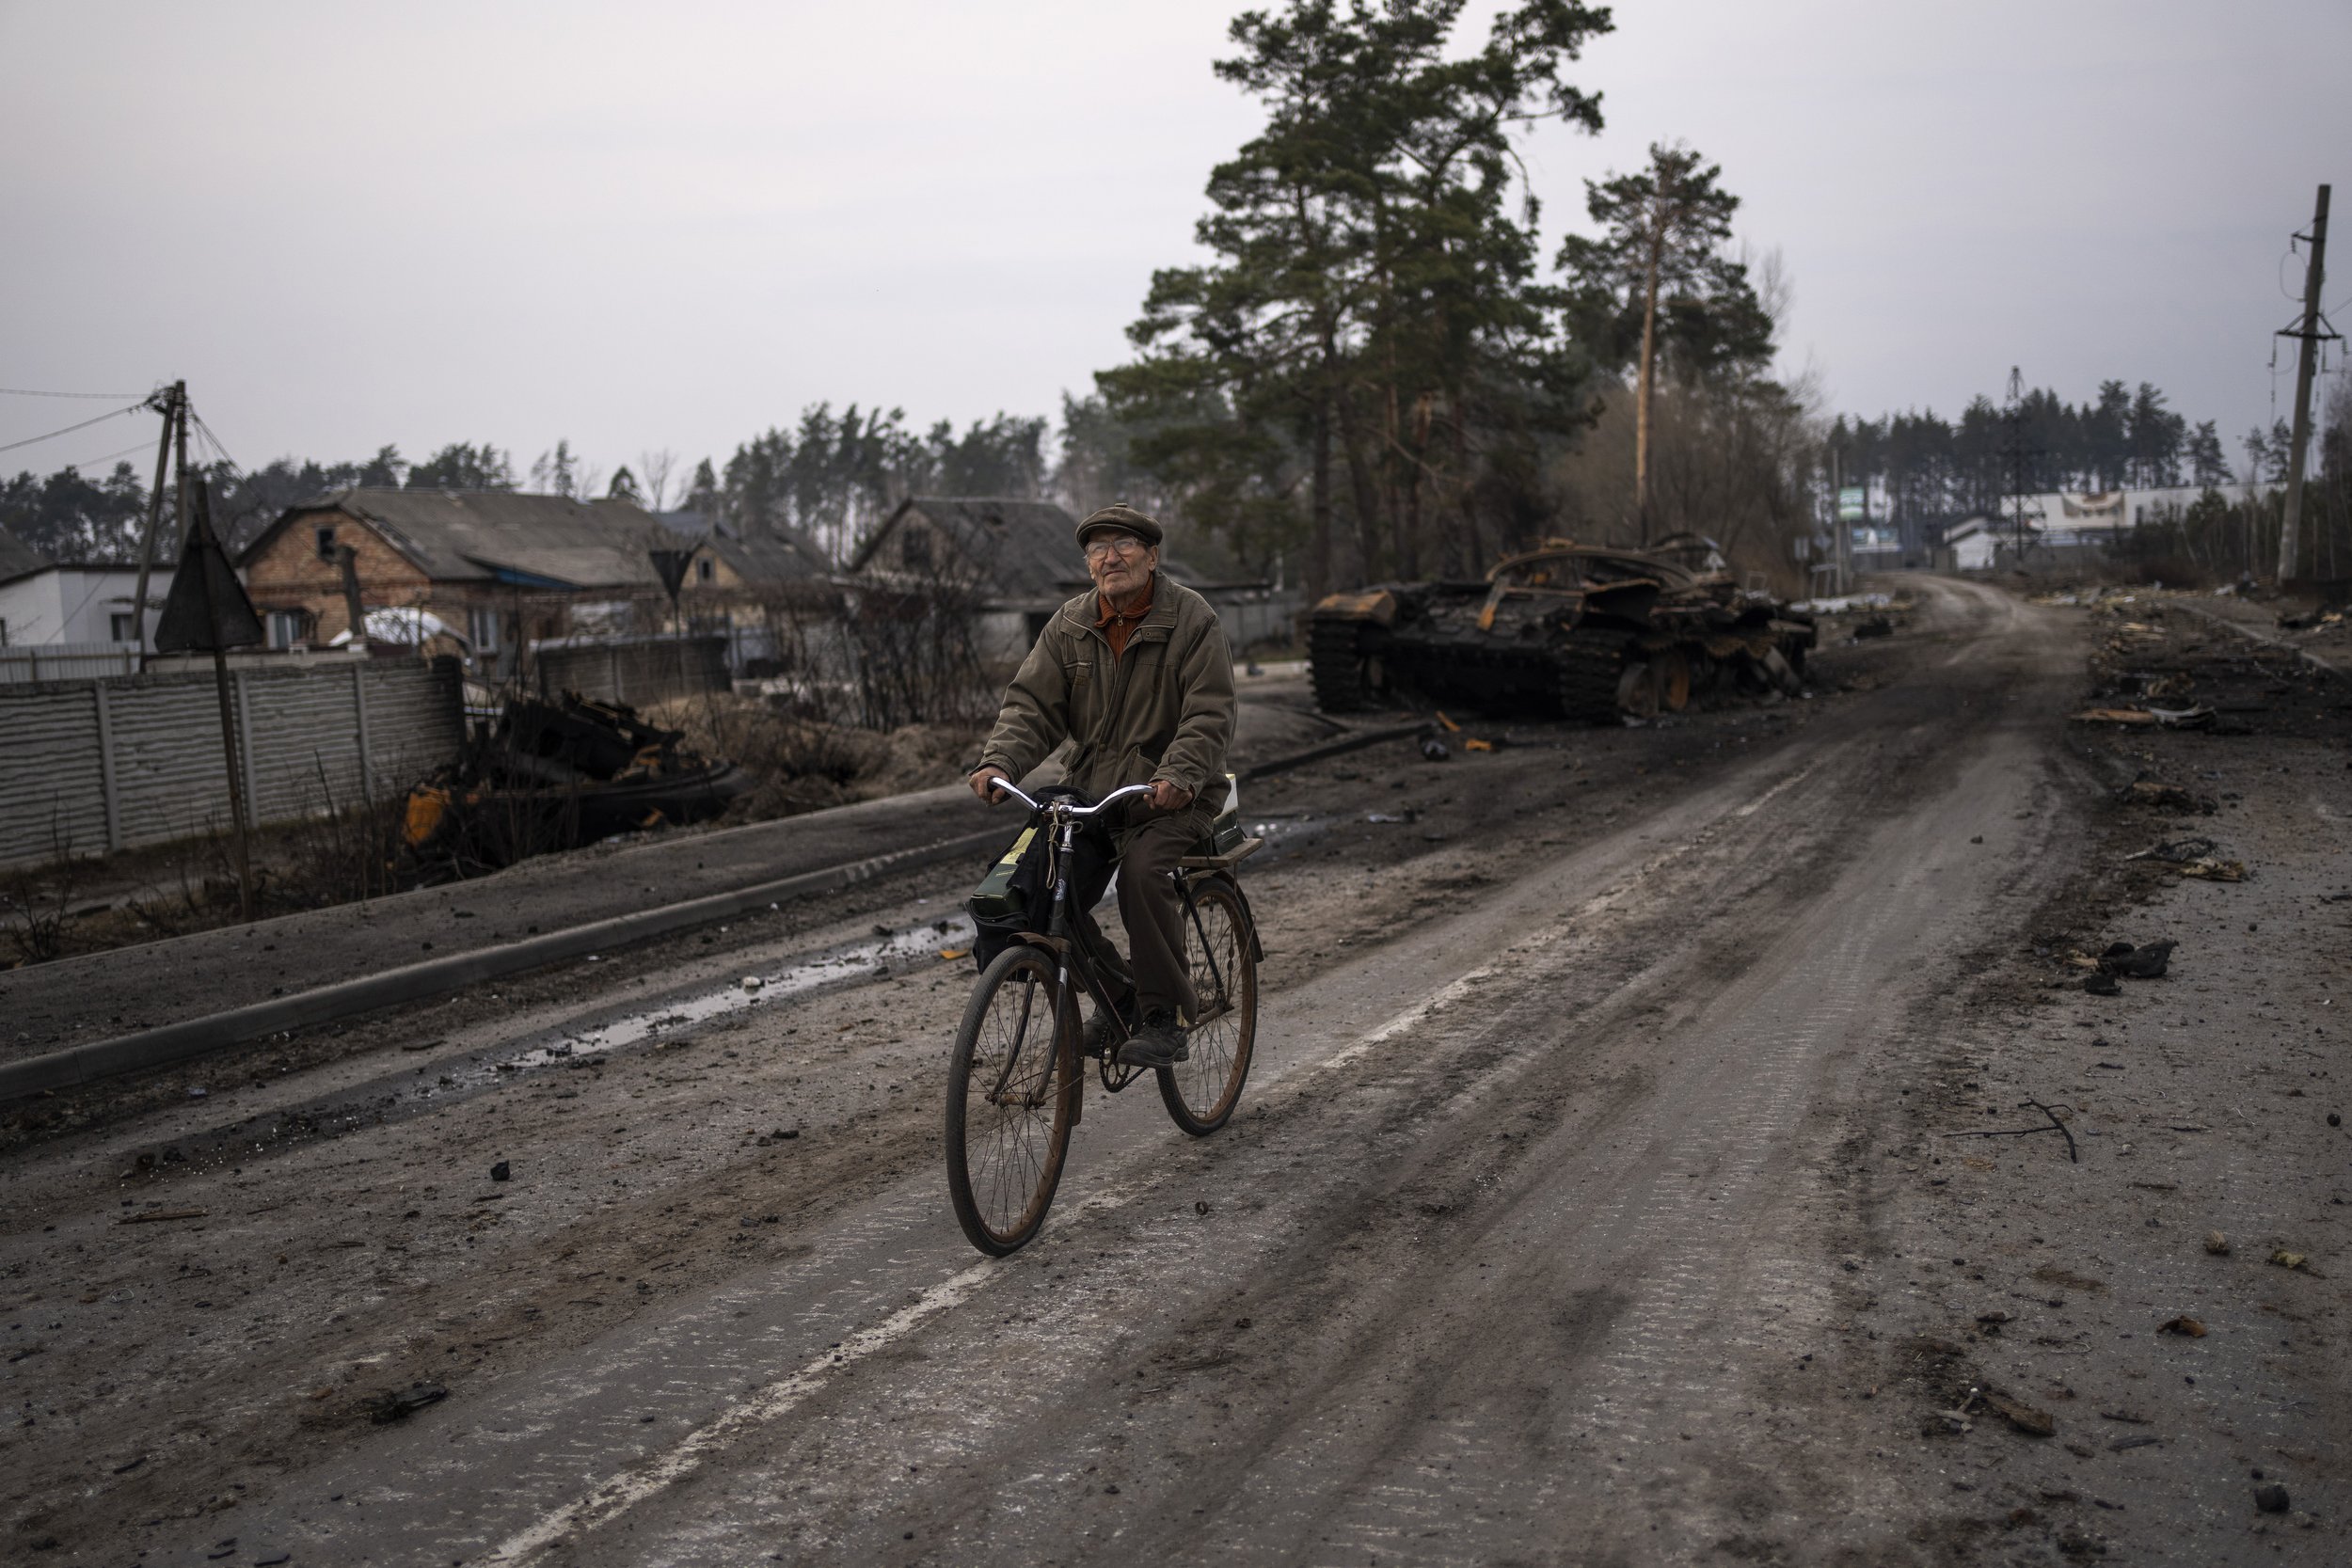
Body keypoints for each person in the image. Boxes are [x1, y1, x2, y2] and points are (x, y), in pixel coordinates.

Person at [967, 503, 1235, 1069]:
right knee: (1040, 885)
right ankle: (1120, 994)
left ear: (1152, 555)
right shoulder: (1069, 624)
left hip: (1174, 796)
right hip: (1095, 794)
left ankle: (1163, 1017)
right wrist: (1001, 763)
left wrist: (1179, 775)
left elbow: (1208, 714)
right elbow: (1032, 707)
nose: (1110, 557)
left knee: (1142, 873)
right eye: (1097, 549)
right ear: (1088, 564)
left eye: (1124, 544)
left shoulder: (1192, 619)